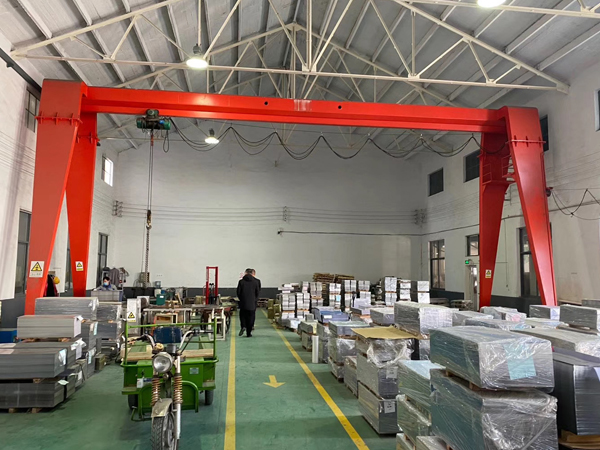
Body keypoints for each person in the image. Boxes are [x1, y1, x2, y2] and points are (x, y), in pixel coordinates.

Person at [236, 268, 261, 337]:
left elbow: (238, 292)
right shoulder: (257, 281)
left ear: (246, 273)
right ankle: (249, 333)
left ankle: (243, 326)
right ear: (253, 274)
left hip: (243, 303)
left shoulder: (241, 282)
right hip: (252, 303)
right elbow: (258, 292)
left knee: (243, 315)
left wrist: (242, 299)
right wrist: (255, 300)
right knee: (251, 317)